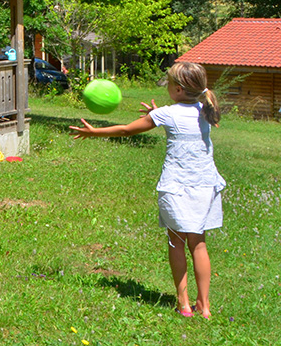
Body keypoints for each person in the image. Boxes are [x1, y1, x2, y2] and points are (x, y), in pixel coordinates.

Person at [70, 62, 225, 319]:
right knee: (198, 244)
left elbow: (127, 130)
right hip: (205, 185)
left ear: (177, 89)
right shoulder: (206, 109)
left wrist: (94, 132)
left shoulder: (167, 113)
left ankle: (183, 303)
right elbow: (185, 120)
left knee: (176, 241)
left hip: (176, 187)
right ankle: (204, 306)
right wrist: (159, 114)